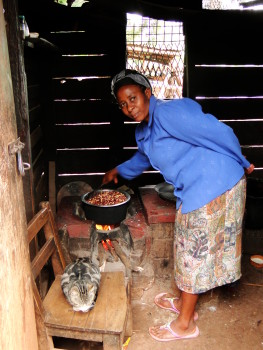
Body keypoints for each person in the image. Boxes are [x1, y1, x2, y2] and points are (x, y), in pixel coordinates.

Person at [102, 69, 255, 342]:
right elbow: (144, 159)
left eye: (133, 98)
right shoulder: (144, 131)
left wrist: (242, 161)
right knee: (186, 247)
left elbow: (219, 132)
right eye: (123, 104)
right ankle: (185, 301)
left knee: (192, 254)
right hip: (195, 187)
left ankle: (186, 323)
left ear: (147, 93)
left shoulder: (170, 113)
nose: (128, 107)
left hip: (216, 183)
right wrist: (119, 170)